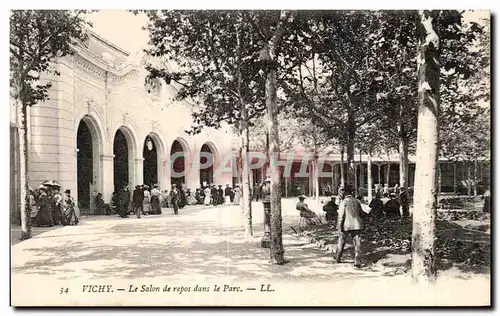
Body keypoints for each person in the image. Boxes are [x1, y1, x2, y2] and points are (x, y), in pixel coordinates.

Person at [335, 185, 363, 268]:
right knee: (357, 243)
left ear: (345, 193)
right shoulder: (357, 201)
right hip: (357, 224)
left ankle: (338, 257)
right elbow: (361, 213)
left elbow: (341, 216)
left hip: (346, 225)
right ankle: (357, 261)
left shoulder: (343, 202)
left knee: (341, 241)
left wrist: (339, 227)